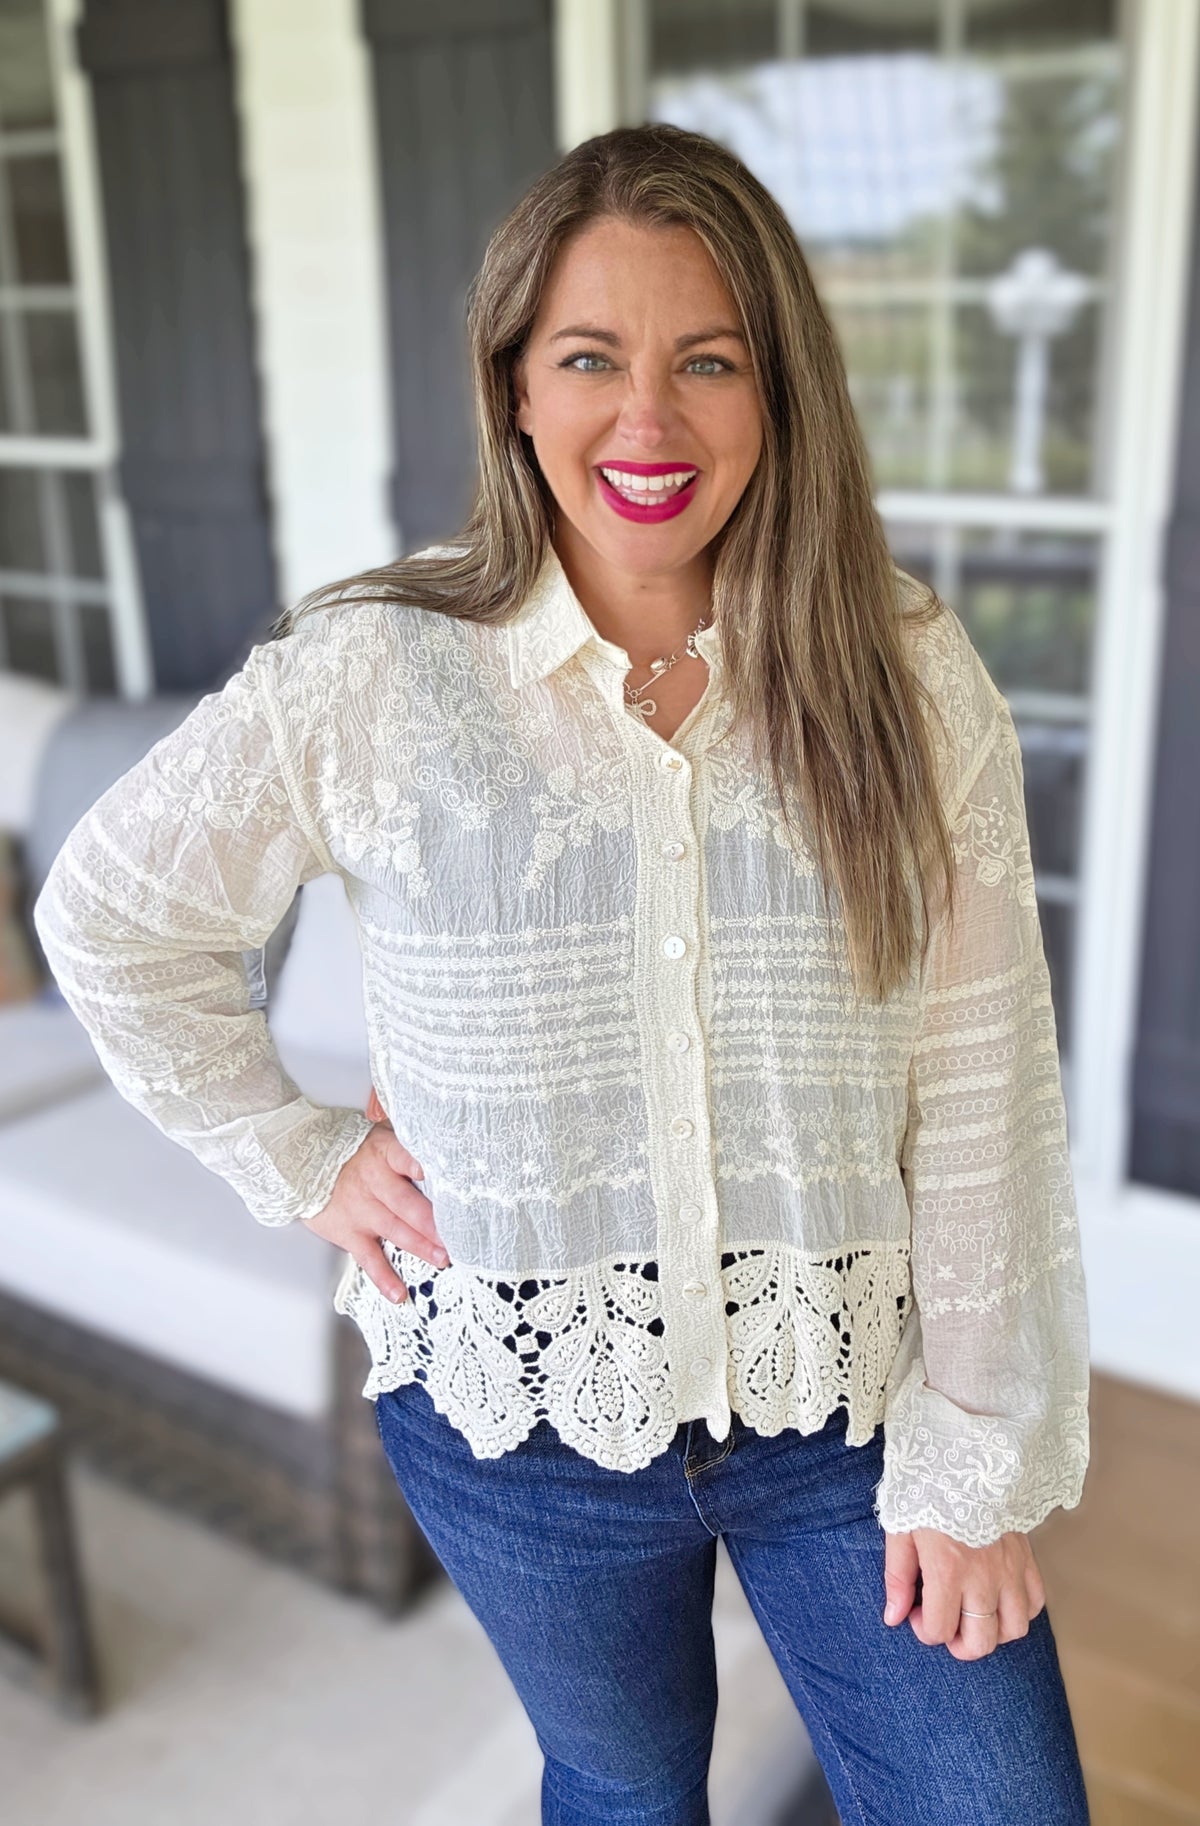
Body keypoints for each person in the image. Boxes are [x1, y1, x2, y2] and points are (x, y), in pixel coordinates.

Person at [33, 123, 1092, 1824]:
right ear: (515, 387)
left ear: (780, 391)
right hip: (513, 1412)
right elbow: (110, 913)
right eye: (590, 358)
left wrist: (971, 1461)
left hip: (852, 1409)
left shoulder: (904, 668)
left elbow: (979, 1080)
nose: (649, 422)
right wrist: (299, 1155)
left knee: (1003, 1800)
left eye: (710, 361)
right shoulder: (377, 673)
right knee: (619, 1782)